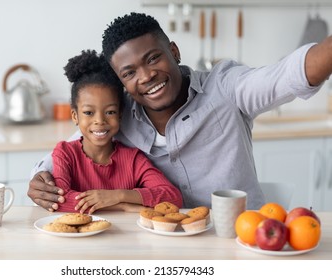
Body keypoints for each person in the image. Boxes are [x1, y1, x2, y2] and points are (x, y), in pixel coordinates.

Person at [28, 12, 332, 212]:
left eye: (153, 58)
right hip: (162, 246)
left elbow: (287, 75)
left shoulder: (225, 87)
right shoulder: (117, 114)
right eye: (129, 72)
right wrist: (40, 178)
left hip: (241, 239)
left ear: (173, 51)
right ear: (121, 81)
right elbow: (71, 147)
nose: (145, 76)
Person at [50, 49, 182, 214]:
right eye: (89, 113)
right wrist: (122, 206)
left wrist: (119, 195)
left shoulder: (133, 159)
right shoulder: (65, 153)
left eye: (110, 112)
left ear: (120, 115)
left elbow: (172, 197)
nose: (100, 121)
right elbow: (59, 202)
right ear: (75, 116)